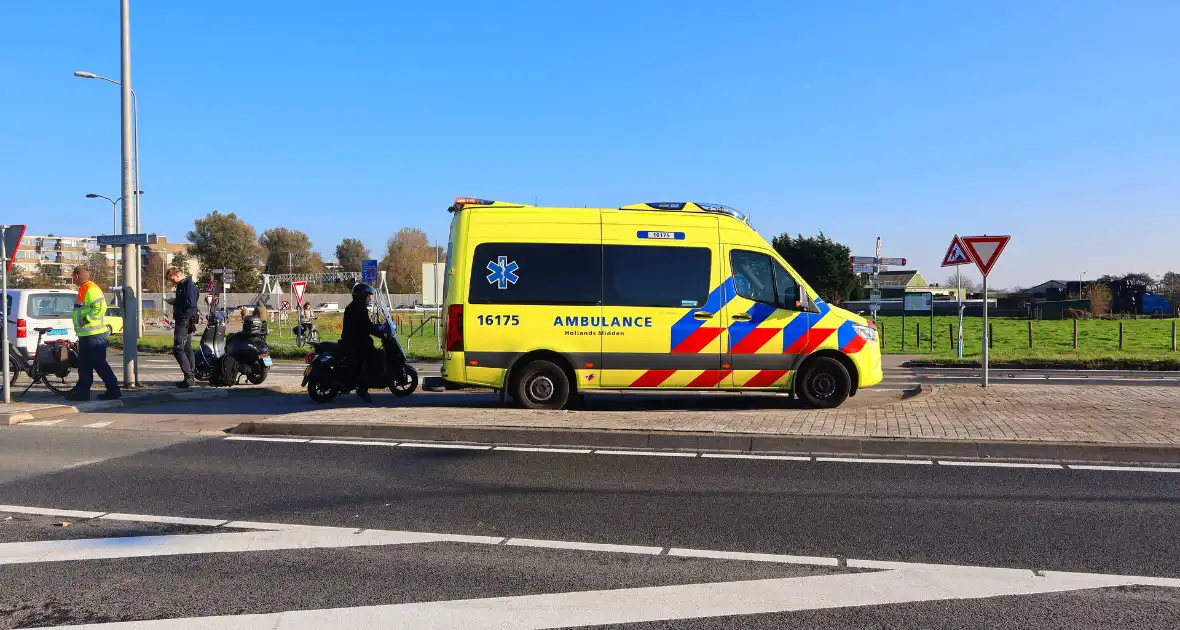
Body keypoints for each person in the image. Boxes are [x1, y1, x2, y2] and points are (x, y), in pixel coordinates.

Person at [65, 266, 120, 402]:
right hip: (87, 335)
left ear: (77, 276)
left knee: (99, 365)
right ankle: (82, 394)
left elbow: (101, 308)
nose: (72, 278)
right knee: (85, 366)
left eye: (73, 276)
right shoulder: (85, 288)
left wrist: (86, 320)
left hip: (93, 335)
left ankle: (113, 390)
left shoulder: (91, 288)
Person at [339, 283, 383, 403]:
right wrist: (378, 331)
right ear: (362, 296)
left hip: (352, 339)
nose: (369, 298)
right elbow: (366, 326)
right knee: (372, 359)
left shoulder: (353, 307)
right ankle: (362, 388)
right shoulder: (359, 309)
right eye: (368, 296)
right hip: (355, 341)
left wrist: (376, 327)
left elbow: (364, 325)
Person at [167, 267, 199, 388]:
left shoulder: (187, 285)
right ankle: (190, 377)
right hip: (185, 319)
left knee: (178, 348)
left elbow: (190, 304)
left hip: (184, 320)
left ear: (176, 275)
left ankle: (189, 375)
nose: (171, 281)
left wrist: (175, 302)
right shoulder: (183, 285)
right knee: (186, 347)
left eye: (171, 278)